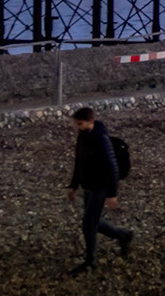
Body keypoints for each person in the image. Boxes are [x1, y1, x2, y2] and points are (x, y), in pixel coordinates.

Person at [66, 107, 132, 272]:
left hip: (99, 186)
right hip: (89, 185)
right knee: (93, 222)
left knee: (88, 223)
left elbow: (112, 167)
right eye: (76, 124)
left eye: (80, 124)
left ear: (91, 122)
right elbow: (79, 162)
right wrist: (74, 185)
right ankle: (123, 235)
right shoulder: (83, 136)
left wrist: (112, 194)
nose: (77, 127)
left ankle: (90, 262)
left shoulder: (101, 138)